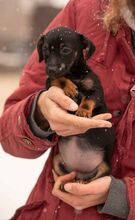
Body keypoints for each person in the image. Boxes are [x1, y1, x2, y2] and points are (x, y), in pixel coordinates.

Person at [0, 0, 135, 219]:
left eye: (63, 51)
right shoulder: (84, 9)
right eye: (48, 53)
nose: (53, 63)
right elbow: (8, 133)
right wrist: (39, 113)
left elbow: (93, 95)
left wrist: (122, 197)